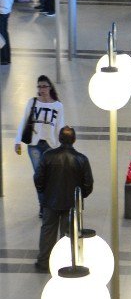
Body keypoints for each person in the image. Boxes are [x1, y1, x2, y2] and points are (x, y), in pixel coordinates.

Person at [33, 126, 93, 272]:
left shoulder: (47, 156)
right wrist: (80, 197)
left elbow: (38, 177)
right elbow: (88, 183)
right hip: (71, 204)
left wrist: (43, 193)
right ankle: (64, 261)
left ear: (59, 139)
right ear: (74, 140)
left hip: (50, 201)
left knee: (47, 231)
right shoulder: (81, 159)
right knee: (68, 234)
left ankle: (44, 262)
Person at [15, 75, 65, 215]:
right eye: (39, 86)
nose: (42, 89)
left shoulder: (58, 106)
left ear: (50, 87)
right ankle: (43, 205)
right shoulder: (32, 103)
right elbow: (23, 121)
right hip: (34, 145)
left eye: (44, 86)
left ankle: (50, 202)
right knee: (39, 176)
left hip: (51, 145)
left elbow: (60, 126)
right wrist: (17, 141)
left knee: (50, 176)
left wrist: (63, 146)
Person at [0, 0, 13, 64]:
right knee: (5, 34)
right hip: (6, 11)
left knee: (2, 36)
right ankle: (7, 57)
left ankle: (4, 58)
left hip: (1, 12)